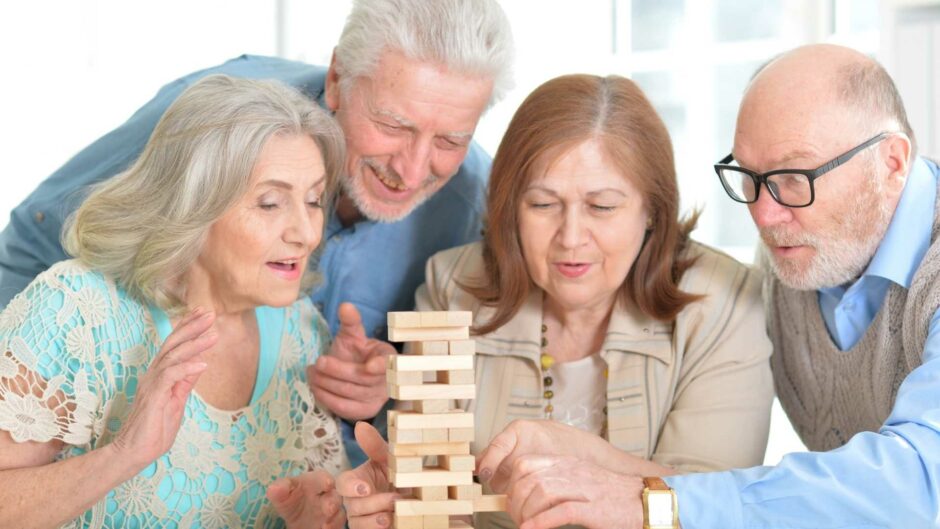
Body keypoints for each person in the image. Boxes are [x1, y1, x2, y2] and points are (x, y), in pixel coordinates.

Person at [0, 0, 514, 465]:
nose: (413, 168)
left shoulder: (476, 207)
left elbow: (441, 398)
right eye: (394, 125)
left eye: (451, 139)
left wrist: (388, 384)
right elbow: (39, 238)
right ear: (338, 79)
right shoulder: (218, 122)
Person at [473, 44, 940, 529]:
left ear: (891, 162)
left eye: (794, 178)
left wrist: (652, 504)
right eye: (749, 177)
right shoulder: (800, 252)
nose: (762, 214)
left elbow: (920, 483)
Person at [336, 73, 775, 529]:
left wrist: (575, 452)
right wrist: (400, 511)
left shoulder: (726, 302)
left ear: (652, 212)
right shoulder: (452, 285)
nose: (570, 238)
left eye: (602, 207)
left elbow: (717, 507)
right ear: (511, 207)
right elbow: (430, 495)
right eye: (543, 205)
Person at [0, 75, 348, 529]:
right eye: (269, 204)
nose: (306, 232)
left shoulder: (303, 331)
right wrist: (126, 455)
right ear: (193, 204)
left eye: (314, 200)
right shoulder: (75, 311)